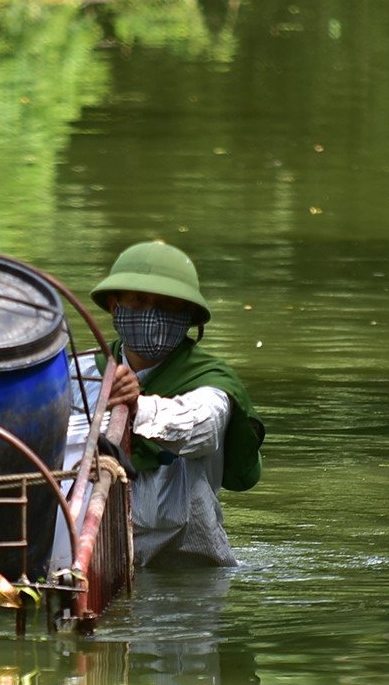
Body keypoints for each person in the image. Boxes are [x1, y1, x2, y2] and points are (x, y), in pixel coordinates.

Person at [91, 241, 264, 568]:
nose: (152, 315)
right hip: (100, 565)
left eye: (168, 306)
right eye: (139, 301)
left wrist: (137, 407)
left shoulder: (212, 384)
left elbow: (201, 427)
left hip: (189, 577)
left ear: (187, 318)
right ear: (115, 306)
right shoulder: (83, 374)